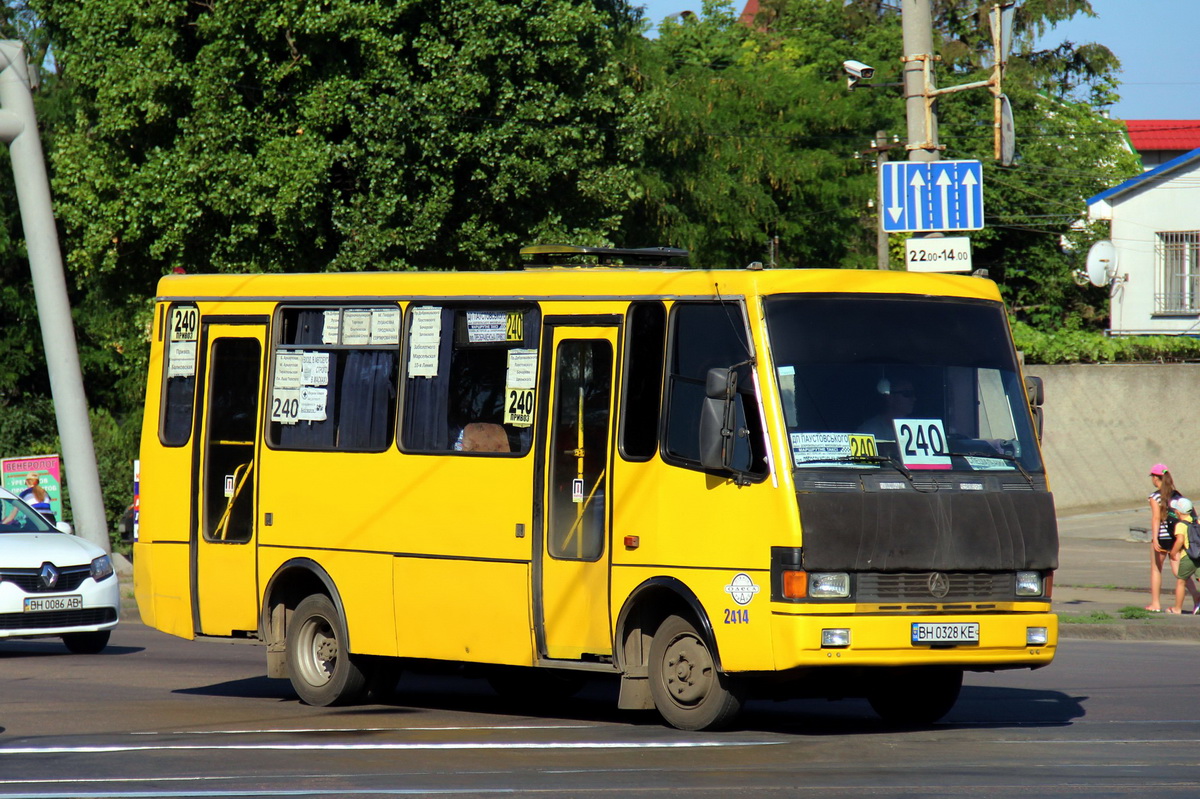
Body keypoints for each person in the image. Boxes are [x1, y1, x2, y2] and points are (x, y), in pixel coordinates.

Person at [1146, 464, 1199, 611]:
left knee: (1156, 569)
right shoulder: (1177, 495)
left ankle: (1155, 604)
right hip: (1177, 536)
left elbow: (1156, 518)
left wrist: (1155, 538)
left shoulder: (1154, 496)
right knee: (1180, 572)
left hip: (1162, 537)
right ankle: (1196, 596)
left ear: (1156, 478)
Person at [1166, 497, 1200, 614]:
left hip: (1188, 557)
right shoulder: (1197, 522)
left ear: (1178, 512)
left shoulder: (1181, 525)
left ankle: (1177, 608)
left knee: (1181, 581)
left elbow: (1180, 540)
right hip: (1199, 556)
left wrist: (1173, 552)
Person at [859, 377, 916, 442]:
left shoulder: (916, 430)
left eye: (913, 393)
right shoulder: (869, 431)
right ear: (890, 397)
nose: (914, 399)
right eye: (907, 393)